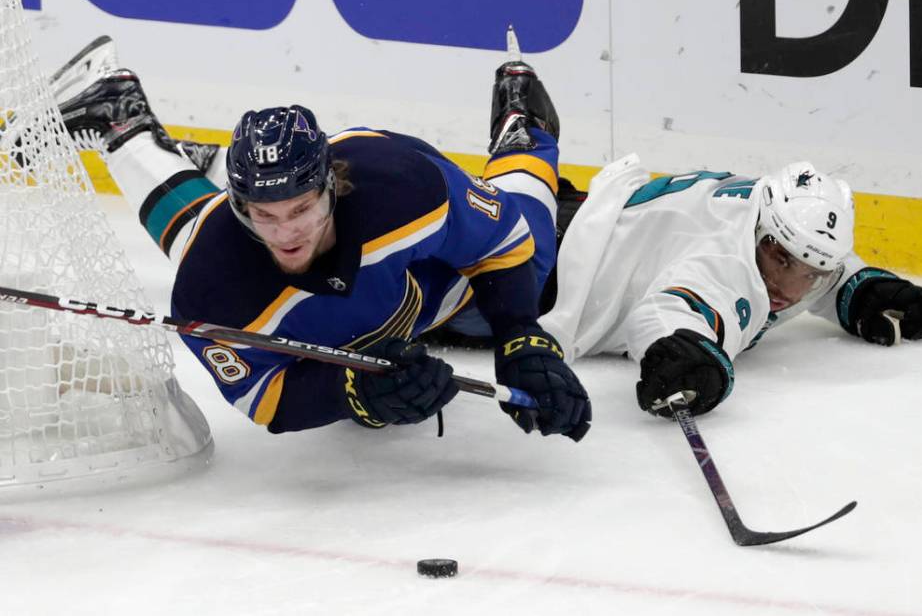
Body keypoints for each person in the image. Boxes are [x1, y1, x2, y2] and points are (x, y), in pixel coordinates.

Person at [53, 36, 591, 441]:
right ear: (236, 202)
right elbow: (267, 401)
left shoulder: (404, 188)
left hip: (430, 283)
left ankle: (521, 123)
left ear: (330, 185)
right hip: (331, 306)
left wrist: (520, 335)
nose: (286, 231)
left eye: (302, 207)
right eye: (262, 212)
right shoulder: (210, 283)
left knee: (534, 248)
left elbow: (504, 244)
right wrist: (353, 394)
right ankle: (121, 120)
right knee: (210, 249)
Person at [539, 155, 922, 418]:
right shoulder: (728, 262)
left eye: (811, 274)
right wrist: (686, 357)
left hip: (581, 219)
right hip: (543, 269)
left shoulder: (777, 229)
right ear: (763, 232)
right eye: (783, 261)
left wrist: (866, 292)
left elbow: (820, 267)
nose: (788, 290)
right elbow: (664, 312)